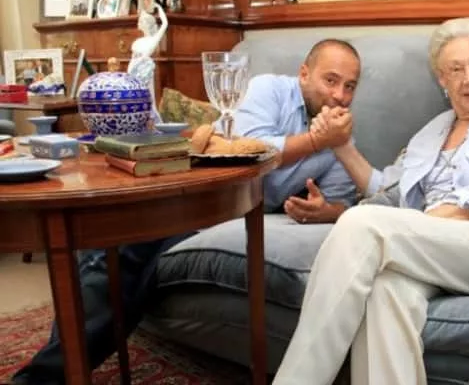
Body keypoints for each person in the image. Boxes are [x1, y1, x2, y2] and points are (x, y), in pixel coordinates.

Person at [11, 38, 361, 385]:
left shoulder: (340, 139)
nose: (339, 96)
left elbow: (342, 201)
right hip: (195, 193)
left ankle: (41, 377)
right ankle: (47, 375)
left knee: (124, 263)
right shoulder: (268, 90)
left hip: (232, 212)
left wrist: (325, 210)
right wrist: (317, 141)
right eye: (330, 80)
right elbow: (253, 149)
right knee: (116, 254)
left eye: (349, 87)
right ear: (304, 74)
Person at [271, 17, 469, 385]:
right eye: (456, 69)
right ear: (442, 79)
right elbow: (386, 191)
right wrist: (340, 146)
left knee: (361, 224)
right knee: (385, 290)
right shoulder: (430, 133)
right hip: (433, 249)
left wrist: (407, 223)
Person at [127, 3, 167, 124]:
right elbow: (133, 58)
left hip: (144, 71)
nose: (139, 24)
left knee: (146, 97)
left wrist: (160, 9)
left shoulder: (153, 40)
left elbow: (165, 24)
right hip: (133, 69)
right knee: (133, 97)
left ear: (146, 24)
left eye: (141, 21)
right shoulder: (138, 41)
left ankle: (150, 122)